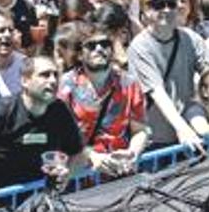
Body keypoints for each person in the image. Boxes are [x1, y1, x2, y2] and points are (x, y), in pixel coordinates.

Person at [0, 54, 104, 203]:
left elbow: (77, 153)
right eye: (44, 75)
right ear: (25, 81)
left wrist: (66, 174)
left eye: (56, 75)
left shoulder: (59, 110)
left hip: (37, 203)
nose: (53, 80)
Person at [127, 0, 208, 153]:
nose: (166, 9)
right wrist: (182, 128)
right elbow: (157, 91)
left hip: (190, 133)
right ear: (147, 11)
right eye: (159, 5)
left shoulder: (192, 39)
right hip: (156, 140)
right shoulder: (139, 47)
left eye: (171, 4)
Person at [57, 24, 147, 173]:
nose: (99, 49)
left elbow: (140, 130)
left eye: (105, 44)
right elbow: (60, 137)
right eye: (91, 46)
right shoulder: (65, 86)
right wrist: (91, 156)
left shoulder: (129, 84)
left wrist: (133, 152)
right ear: (79, 54)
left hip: (120, 171)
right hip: (80, 177)